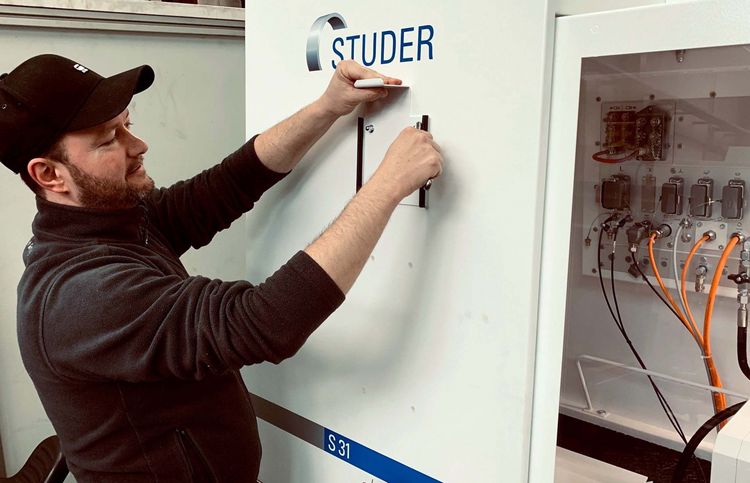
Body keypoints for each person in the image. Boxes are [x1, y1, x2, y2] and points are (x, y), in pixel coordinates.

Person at [0, 54, 442, 482]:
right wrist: (387, 185)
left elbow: (228, 184)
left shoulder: (115, 220)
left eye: (127, 125)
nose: (138, 145)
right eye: (108, 139)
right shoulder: (80, 295)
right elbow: (263, 322)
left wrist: (327, 107)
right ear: (49, 175)